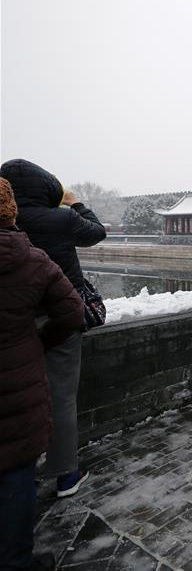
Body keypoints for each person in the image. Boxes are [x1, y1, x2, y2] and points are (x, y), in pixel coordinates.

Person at [0, 158, 107, 498]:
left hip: (13, 322)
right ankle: (65, 474)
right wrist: (75, 202)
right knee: (60, 396)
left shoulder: (10, 225)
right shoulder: (61, 218)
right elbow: (97, 232)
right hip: (59, 316)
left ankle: (19, 472)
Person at [0, 177, 85, 570]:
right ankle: (17, 558)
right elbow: (71, 311)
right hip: (21, 366)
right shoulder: (33, 253)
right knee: (16, 464)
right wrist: (39, 341)